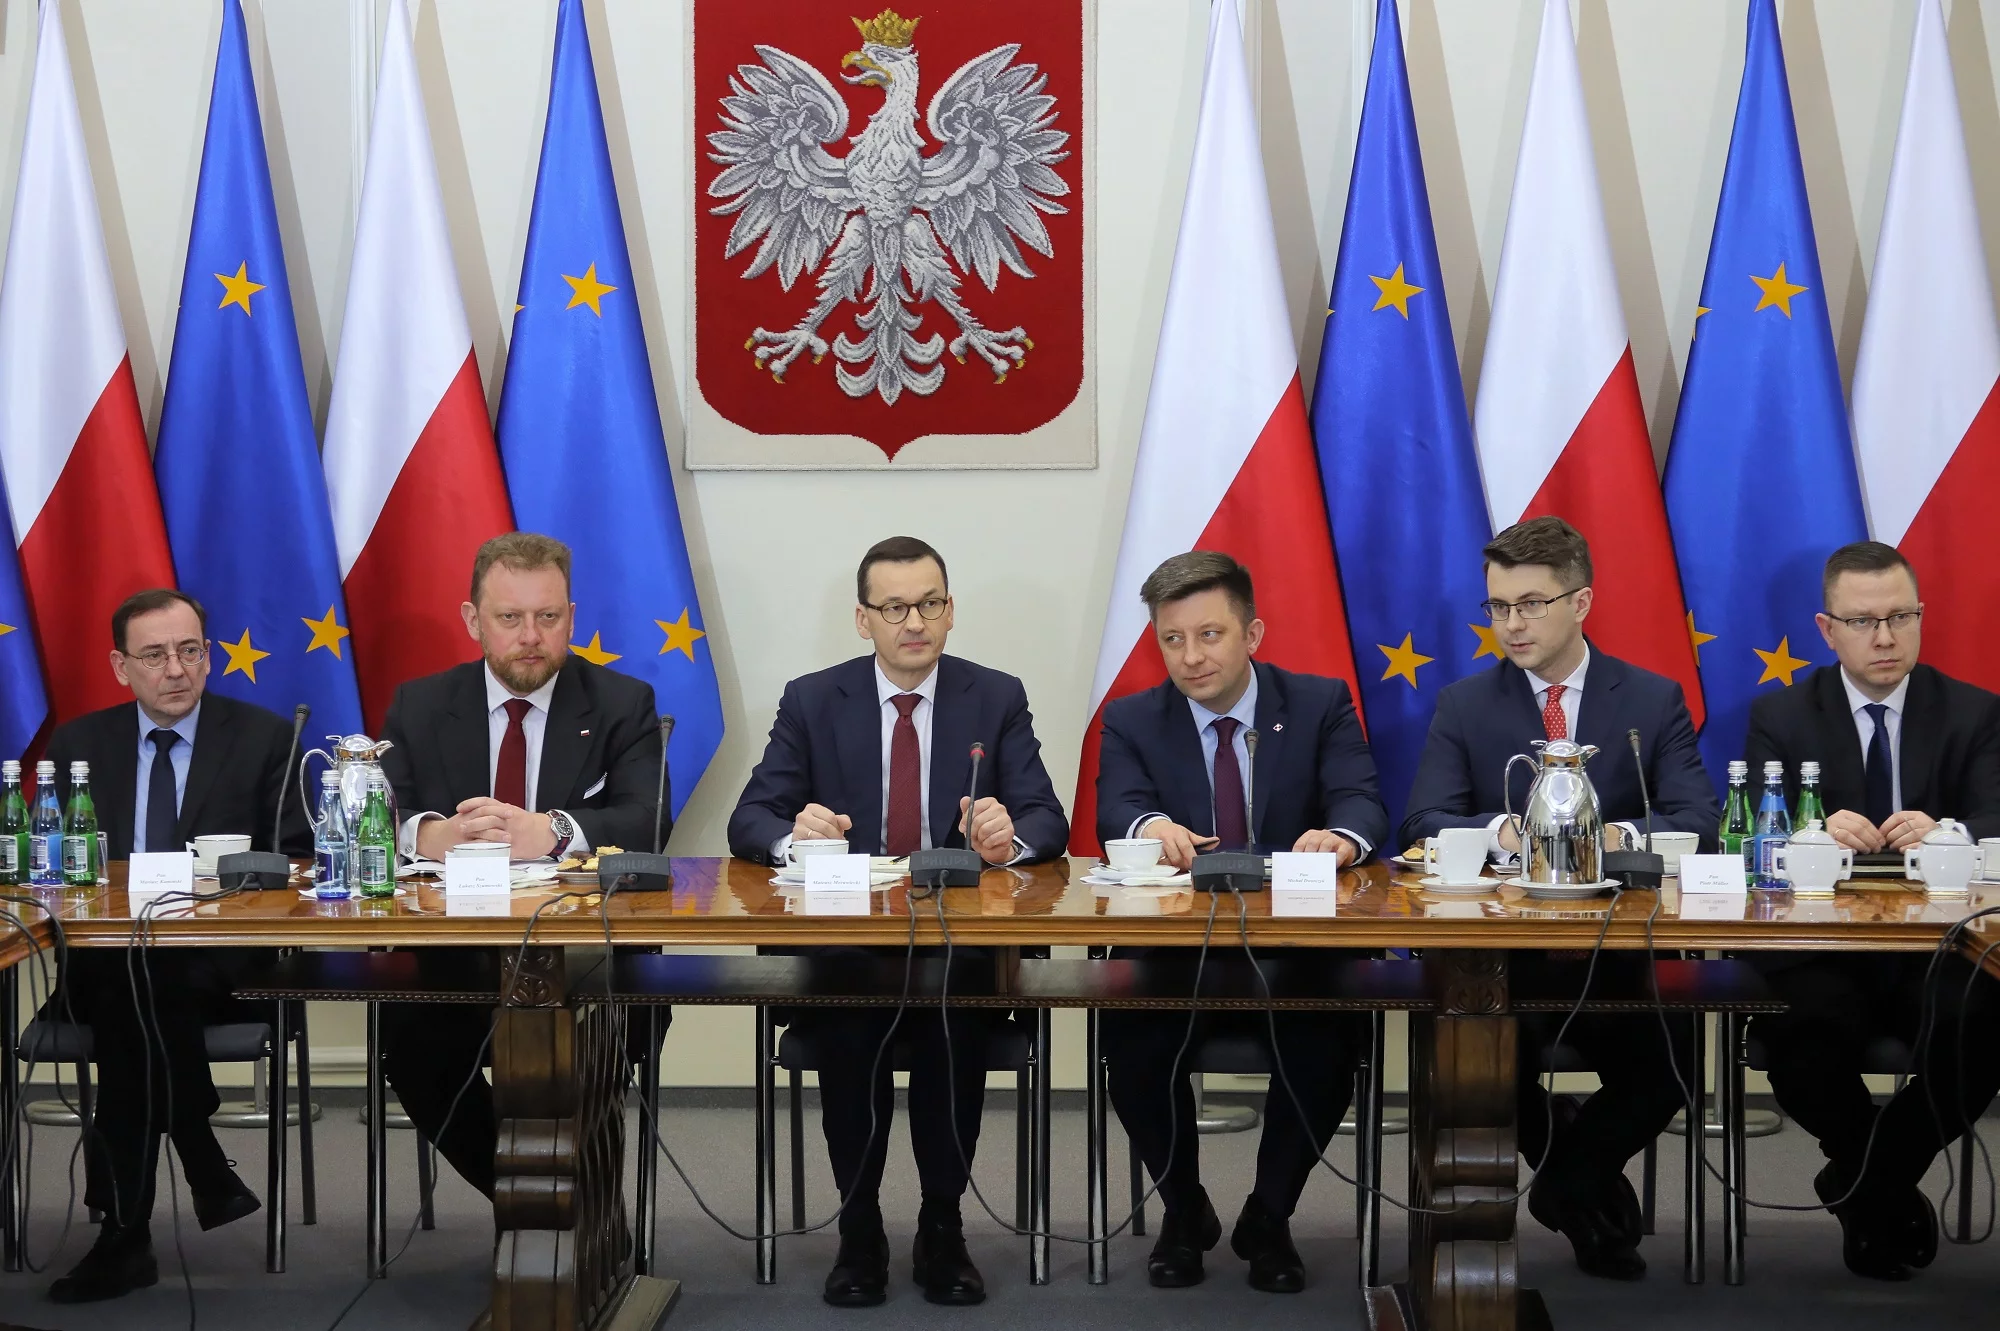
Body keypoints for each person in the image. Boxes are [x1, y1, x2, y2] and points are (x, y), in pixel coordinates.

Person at [729, 536, 1068, 1308]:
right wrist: (795, 836)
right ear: (863, 619)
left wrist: (1004, 837)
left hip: (958, 947)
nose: (914, 621)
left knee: (956, 1016)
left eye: (931, 603)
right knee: (852, 1017)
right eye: (894, 607)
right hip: (851, 944)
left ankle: (942, 1224)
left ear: (951, 612)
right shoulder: (815, 699)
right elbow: (750, 818)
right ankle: (859, 1227)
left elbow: (1049, 818)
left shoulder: (995, 696)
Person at [1401, 516, 1717, 1281]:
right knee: (1484, 1069)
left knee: (1669, 1068)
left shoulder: (1650, 698)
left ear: (1581, 601)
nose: (1512, 623)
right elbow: (1424, 821)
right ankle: (1591, 1207)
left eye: (1531, 603)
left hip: (1620, 954)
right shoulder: (1465, 704)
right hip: (1498, 955)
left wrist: (1593, 837)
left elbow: (1694, 820)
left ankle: (1569, 1186)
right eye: (1498, 607)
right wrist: (1511, 829)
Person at [1095, 551, 1388, 1293]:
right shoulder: (1133, 716)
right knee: (1130, 1041)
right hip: (1177, 952)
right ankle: (1183, 1209)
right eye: (1171, 639)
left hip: (1295, 950)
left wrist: (1341, 838)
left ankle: (1270, 1215)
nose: (1190, 657)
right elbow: (1116, 805)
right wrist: (1149, 822)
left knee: (1326, 1038)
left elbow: (1361, 800)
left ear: (1252, 632)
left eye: (1210, 634)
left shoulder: (1318, 702)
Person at [43, 588, 310, 1303]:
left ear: (209, 656)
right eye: (155, 654)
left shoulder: (262, 737)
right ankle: (199, 1150)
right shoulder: (79, 745)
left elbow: (297, 861)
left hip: (215, 962)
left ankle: (124, 1235)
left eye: (190, 651)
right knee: (132, 981)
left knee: (138, 995)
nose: (176, 669)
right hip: (102, 959)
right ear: (119, 664)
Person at [1744, 541, 2000, 1281]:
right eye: (1864, 621)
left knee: (1989, 1022)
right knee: (1798, 1032)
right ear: (1827, 630)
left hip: (1942, 953)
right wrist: (1808, 834)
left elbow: (1995, 816)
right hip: (1825, 951)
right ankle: (1878, 1184)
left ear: (1920, 617)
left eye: (1900, 617)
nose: (1885, 637)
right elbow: (1749, 838)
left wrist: (1949, 834)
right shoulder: (1781, 714)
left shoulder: (1975, 711)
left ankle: (1864, 1181)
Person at [378, 532, 662, 1200]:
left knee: (588, 1049)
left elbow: (649, 820)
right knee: (414, 1044)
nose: (531, 635)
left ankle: (566, 1224)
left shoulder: (623, 703)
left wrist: (552, 830)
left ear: (572, 616)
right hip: (455, 952)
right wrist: (431, 834)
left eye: (549, 616)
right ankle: (541, 1201)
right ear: (474, 621)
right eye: (510, 618)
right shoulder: (420, 705)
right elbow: (384, 817)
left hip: (590, 951)